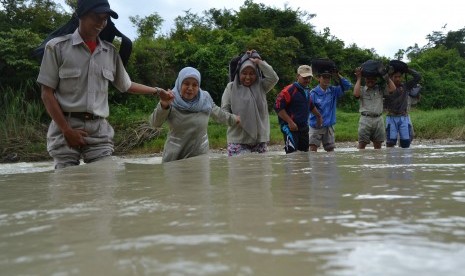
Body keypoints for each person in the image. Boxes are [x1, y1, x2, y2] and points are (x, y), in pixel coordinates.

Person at [36, 0, 174, 169]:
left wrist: (158, 91)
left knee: (105, 181)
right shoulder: (57, 48)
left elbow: (127, 85)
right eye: (96, 17)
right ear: (81, 15)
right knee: (67, 184)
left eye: (105, 18)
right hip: (65, 126)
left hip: (99, 129)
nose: (101, 23)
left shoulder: (110, 52)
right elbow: (46, 93)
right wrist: (66, 130)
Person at [149, 67, 240, 163]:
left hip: (200, 155)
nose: (190, 88)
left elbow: (219, 114)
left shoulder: (205, 99)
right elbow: (155, 123)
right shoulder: (170, 98)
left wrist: (235, 119)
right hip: (175, 157)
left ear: (198, 86)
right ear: (180, 83)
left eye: (195, 85)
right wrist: (164, 105)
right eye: (186, 83)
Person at [221, 50, 279, 156]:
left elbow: (274, 78)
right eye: (244, 73)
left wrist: (259, 62)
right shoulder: (231, 87)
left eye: (252, 73)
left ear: (256, 74)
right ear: (239, 73)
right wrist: (232, 118)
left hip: (260, 141)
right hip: (238, 140)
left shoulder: (261, 86)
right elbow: (224, 110)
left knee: (260, 171)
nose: (248, 77)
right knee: (241, 170)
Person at [274, 65, 322, 153]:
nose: (307, 80)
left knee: (304, 154)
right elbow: (278, 107)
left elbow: (310, 105)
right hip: (290, 128)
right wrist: (290, 122)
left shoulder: (306, 90)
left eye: (309, 78)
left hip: (303, 127)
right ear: (298, 76)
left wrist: (318, 116)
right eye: (304, 78)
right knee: (291, 154)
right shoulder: (289, 90)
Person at [353, 63, 396, 149]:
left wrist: (386, 77)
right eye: (368, 79)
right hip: (365, 120)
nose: (370, 80)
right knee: (362, 144)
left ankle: (377, 162)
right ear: (365, 79)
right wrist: (358, 78)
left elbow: (393, 89)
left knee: (378, 146)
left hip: (378, 119)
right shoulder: (362, 89)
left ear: (376, 80)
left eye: (372, 79)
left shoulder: (380, 89)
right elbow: (356, 94)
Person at [308, 69, 352, 152]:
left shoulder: (333, 90)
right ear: (319, 78)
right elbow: (309, 108)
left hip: (329, 126)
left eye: (329, 78)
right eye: (324, 77)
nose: (327, 80)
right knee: (313, 149)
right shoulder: (313, 93)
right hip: (316, 125)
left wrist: (338, 75)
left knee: (330, 151)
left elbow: (348, 86)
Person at [384, 61, 422, 148]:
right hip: (391, 117)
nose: (397, 79)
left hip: (403, 117)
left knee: (405, 143)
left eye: (399, 77)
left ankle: (404, 160)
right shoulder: (386, 87)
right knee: (390, 143)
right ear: (391, 77)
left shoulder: (406, 86)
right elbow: (383, 77)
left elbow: (418, 77)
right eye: (395, 77)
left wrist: (407, 70)